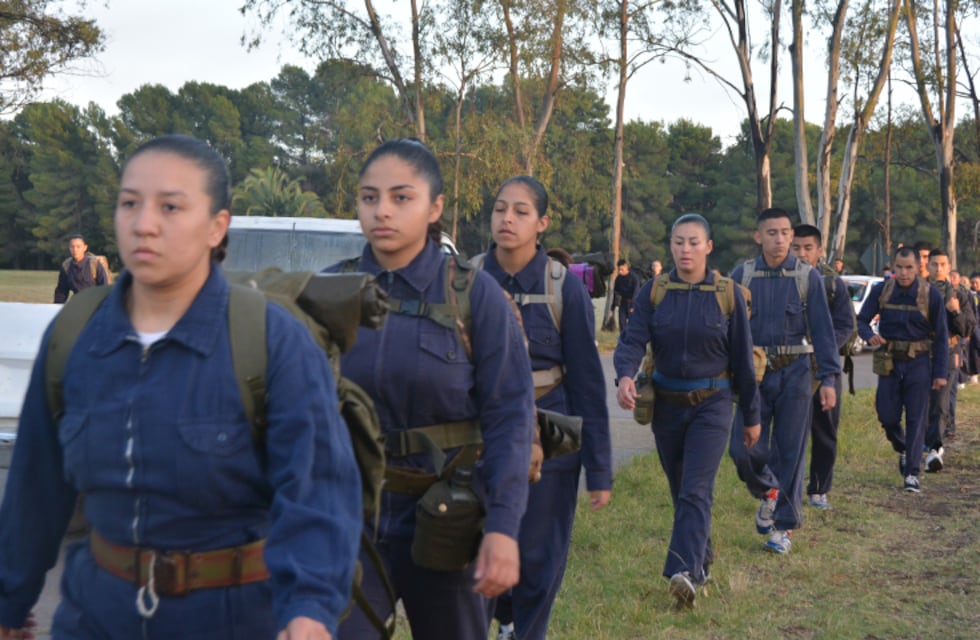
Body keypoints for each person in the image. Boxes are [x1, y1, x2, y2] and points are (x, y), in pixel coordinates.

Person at [0, 134, 362, 639]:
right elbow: (33, 489)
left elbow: (318, 494)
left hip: (232, 619)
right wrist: (9, 601)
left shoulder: (269, 340)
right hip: (95, 615)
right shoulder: (77, 337)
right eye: (130, 203)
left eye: (171, 206)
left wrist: (309, 610)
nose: (144, 223)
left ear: (218, 227)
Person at [325, 139, 536, 640]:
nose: (382, 211)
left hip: (449, 516)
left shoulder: (473, 293)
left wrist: (504, 526)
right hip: (350, 517)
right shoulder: (330, 292)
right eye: (369, 197)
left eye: (401, 198)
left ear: (434, 207)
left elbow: (510, 415)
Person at [475, 175, 612, 639]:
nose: (506, 219)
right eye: (499, 209)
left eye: (519, 211)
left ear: (541, 223)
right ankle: (502, 620)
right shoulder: (467, 279)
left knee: (541, 552)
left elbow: (590, 384)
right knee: (481, 546)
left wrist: (599, 471)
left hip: (552, 425)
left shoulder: (563, 288)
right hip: (482, 430)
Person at [615, 213, 760, 608]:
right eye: (678, 242)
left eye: (694, 242)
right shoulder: (654, 292)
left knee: (696, 488)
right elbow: (632, 340)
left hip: (712, 405)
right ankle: (703, 556)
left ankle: (685, 572)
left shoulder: (727, 294)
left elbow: (744, 363)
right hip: (666, 405)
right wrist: (624, 376)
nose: (685, 250)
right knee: (681, 490)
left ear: (709, 247)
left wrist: (751, 416)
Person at [727, 208, 840, 555]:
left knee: (790, 452)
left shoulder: (809, 278)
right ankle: (767, 492)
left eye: (785, 233)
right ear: (758, 236)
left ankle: (784, 528)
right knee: (743, 450)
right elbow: (727, 329)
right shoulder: (741, 276)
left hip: (796, 374)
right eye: (772, 233)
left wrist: (829, 379)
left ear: (792, 236)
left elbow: (823, 332)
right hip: (754, 376)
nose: (780, 239)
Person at [857, 247, 948, 492]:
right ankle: (904, 449)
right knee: (887, 415)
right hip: (889, 362)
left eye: (909, 267)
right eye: (899, 267)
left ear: (919, 267)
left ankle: (912, 475)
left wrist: (940, 373)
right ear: (893, 267)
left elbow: (941, 336)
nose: (904, 272)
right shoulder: (882, 290)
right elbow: (862, 320)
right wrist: (869, 336)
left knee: (917, 418)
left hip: (919, 363)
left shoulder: (931, 295)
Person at [791, 225, 855, 511]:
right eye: (796, 248)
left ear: (819, 250)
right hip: (789, 365)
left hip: (824, 368)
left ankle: (818, 488)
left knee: (825, 430)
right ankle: (783, 487)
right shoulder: (781, 278)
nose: (802, 254)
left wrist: (824, 346)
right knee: (789, 430)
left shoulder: (832, 284)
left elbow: (845, 325)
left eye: (808, 248)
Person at [924, 249, 974, 470]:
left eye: (943, 264)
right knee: (919, 402)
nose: (938, 268)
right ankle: (919, 445)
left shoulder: (960, 295)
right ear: (928, 266)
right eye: (934, 264)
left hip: (948, 353)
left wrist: (955, 312)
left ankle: (935, 448)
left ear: (949, 265)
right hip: (920, 353)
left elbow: (967, 330)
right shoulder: (919, 290)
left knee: (941, 404)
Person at [53, 234, 110, 303]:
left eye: (78, 247)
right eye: (72, 247)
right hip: (78, 304)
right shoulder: (66, 266)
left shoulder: (94, 264)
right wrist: (56, 308)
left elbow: (104, 287)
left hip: (95, 304)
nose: (75, 250)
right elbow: (61, 291)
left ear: (85, 248)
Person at [612, 259, 641, 331]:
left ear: (626, 266)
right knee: (622, 324)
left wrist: (633, 306)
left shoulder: (634, 278)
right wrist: (612, 307)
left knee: (633, 325)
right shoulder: (618, 278)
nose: (620, 271)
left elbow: (636, 292)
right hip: (623, 303)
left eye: (622, 269)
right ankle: (623, 340)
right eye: (619, 269)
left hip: (632, 303)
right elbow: (615, 292)